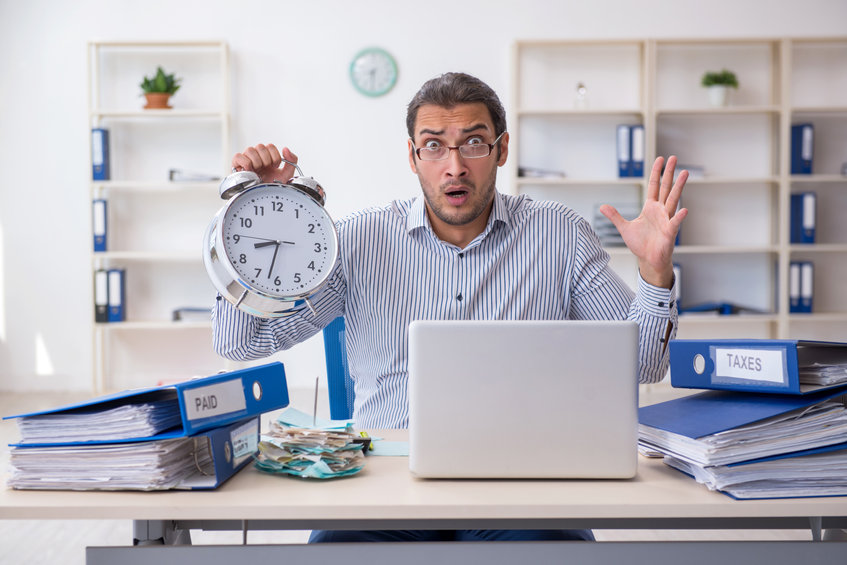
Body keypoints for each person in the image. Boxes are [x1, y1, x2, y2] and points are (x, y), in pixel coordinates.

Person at [213, 72, 688, 543]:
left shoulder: (560, 235)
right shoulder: (355, 242)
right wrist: (252, 211)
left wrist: (654, 273)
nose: (455, 166)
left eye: (474, 143)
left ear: (501, 149)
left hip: (522, 484)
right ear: (413, 156)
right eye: (435, 145)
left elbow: (644, 364)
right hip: (384, 484)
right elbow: (240, 341)